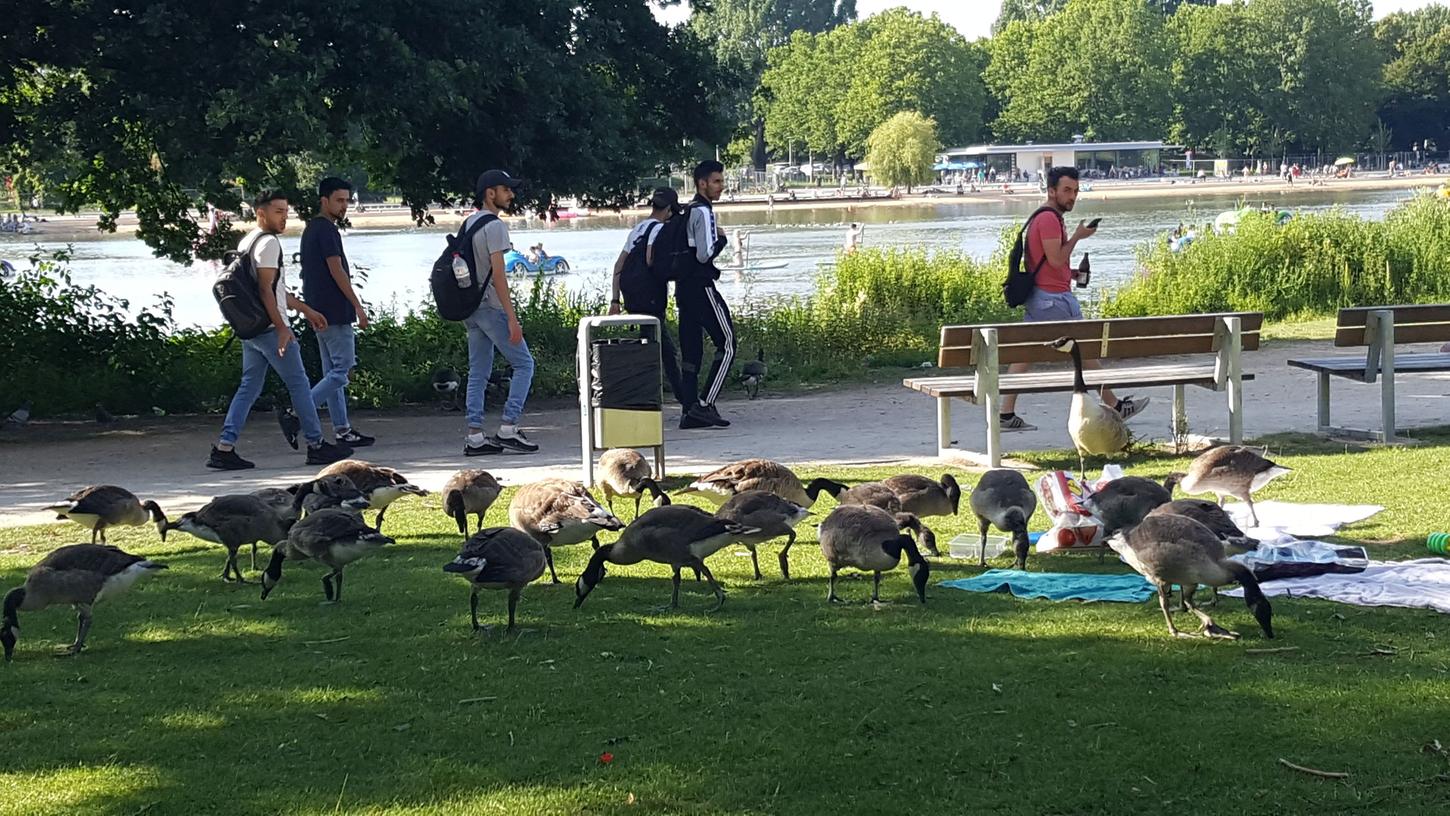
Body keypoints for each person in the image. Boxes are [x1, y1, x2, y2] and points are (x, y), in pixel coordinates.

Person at [207, 190, 352, 470]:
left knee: (249, 386)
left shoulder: (248, 240)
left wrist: (305, 309)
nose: (285, 217)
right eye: (278, 211)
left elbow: (274, 288)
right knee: (298, 384)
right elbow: (265, 290)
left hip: (253, 329)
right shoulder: (269, 243)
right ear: (261, 213)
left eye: (287, 211)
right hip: (270, 329)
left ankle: (224, 448)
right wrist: (283, 328)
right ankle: (316, 445)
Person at [998, 166, 1149, 432]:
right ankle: (1115, 406)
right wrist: (1079, 236)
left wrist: (1072, 273)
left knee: (1024, 355)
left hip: (1042, 298)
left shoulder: (1048, 217)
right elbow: (1055, 258)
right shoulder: (1048, 219)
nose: (1072, 196)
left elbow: (1051, 264)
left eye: (1076, 191)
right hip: (1053, 301)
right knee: (1085, 351)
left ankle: (1005, 415)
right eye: (1067, 190)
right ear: (1051, 190)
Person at [461, 169, 537, 455]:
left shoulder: (468, 223)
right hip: (492, 307)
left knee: (478, 371)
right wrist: (512, 317)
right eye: (506, 190)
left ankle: (475, 436)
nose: (511, 195)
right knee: (524, 364)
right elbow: (499, 276)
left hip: (470, 308)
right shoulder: (495, 226)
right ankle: (508, 427)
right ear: (490, 193)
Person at [300, 176, 373, 447]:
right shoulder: (326, 230)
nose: (345, 206)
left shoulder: (311, 230)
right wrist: (357, 305)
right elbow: (336, 269)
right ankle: (298, 414)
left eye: (347, 200)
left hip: (318, 309)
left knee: (332, 373)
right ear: (324, 200)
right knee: (341, 371)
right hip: (334, 310)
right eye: (339, 200)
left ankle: (342, 429)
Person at [607, 187, 691, 416]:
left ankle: (650, 397)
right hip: (651, 297)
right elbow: (651, 260)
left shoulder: (637, 229)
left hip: (631, 296)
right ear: (670, 209)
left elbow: (618, 266)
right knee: (666, 350)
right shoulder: (659, 229)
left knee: (650, 345)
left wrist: (615, 300)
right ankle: (686, 402)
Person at [675, 160, 736, 429]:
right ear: (702, 183)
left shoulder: (687, 211)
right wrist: (722, 239)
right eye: (716, 181)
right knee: (728, 342)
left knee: (691, 353)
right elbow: (704, 254)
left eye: (721, 181)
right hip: (701, 287)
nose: (721, 187)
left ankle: (689, 410)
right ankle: (705, 404)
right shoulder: (703, 212)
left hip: (683, 288)